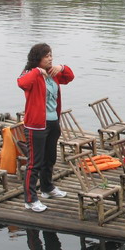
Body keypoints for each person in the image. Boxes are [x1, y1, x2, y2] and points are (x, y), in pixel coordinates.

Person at [17, 43, 75, 212]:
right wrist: (37, 71)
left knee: (50, 158)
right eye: (47, 56)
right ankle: (30, 199)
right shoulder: (31, 73)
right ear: (38, 58)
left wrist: (61, 67)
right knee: (34, 163)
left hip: (53, 121)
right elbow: (21, 83)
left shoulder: (53, 73)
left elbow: (70, 77)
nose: (51, 58)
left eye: (51, 55)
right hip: (36, 125)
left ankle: (47, 188)